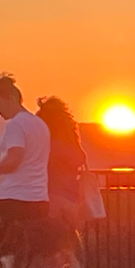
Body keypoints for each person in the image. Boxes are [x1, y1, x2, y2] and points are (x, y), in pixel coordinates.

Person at [0, 74, 51, 228]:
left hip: (14, 200)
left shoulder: (15, 124)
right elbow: (30, 156)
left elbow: (14, 160)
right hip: (40, 200)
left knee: (10, 248)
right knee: (34, 249)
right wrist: (4, 154)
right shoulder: (40, 124)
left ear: (11, 98)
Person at [37, 96, 88, 231]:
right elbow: (80, 158)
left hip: (49, 195)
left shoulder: (45, 141)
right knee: (69, 239)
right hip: (71, 196)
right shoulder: (69, 138)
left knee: (51, 240)